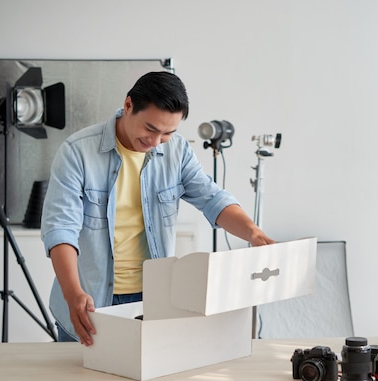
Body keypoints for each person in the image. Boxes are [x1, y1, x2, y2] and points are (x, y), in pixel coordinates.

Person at [41, 71, 274, 346]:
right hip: (88, 299)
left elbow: (212, 199)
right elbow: (60, 229)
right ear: (128, 106)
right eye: (150, 129)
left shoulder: (177, 151)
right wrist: (73, 294)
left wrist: (253, 233)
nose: (155, 142)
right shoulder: (77, 152)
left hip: (152, 301)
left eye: (167, 133)